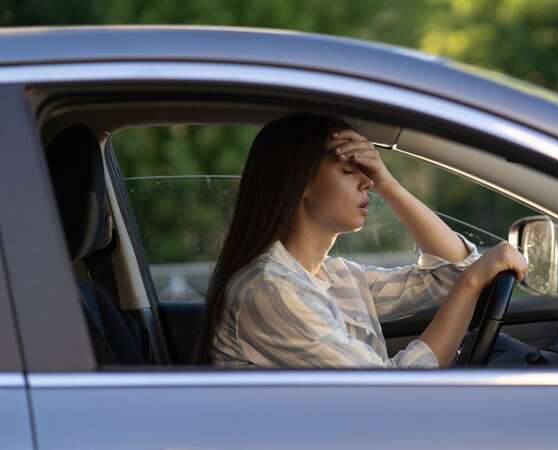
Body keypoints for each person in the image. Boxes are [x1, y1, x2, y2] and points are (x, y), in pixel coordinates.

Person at [194, 113, 528, 368]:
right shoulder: (268, 289)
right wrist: (472, 281)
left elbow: (449, 273)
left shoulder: (336, 276)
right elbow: (386, 395)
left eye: (369, 173)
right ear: (301, 185)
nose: (367, 181)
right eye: (348, 170)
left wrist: (389, 184)